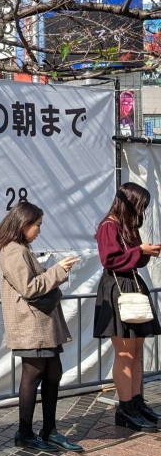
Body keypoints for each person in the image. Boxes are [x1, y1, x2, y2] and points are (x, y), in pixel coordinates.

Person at [0, 201, 82, 451]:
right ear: (23, 224)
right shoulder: (13, 251)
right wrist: (58, 270)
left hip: (41, 325)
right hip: (31, 326)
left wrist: (55, 271)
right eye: (37, 225)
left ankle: (49, 430)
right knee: (32, 376)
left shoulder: (21, 248)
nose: (39, 230)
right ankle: (26, 433)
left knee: (53, 373)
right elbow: (29, 287)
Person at [94, 182, 161, 432]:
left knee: (136, 351)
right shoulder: (108, 226)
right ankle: (125, 407)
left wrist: (145, 252)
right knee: (124, 353)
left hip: (131, 285)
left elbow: (131, 258)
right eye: (140, 206)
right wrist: (139, 251)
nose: (141, 211)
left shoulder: (125, 225)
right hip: (117, 289)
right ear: (129, 202)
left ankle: (135, 402)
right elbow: (110, 259)